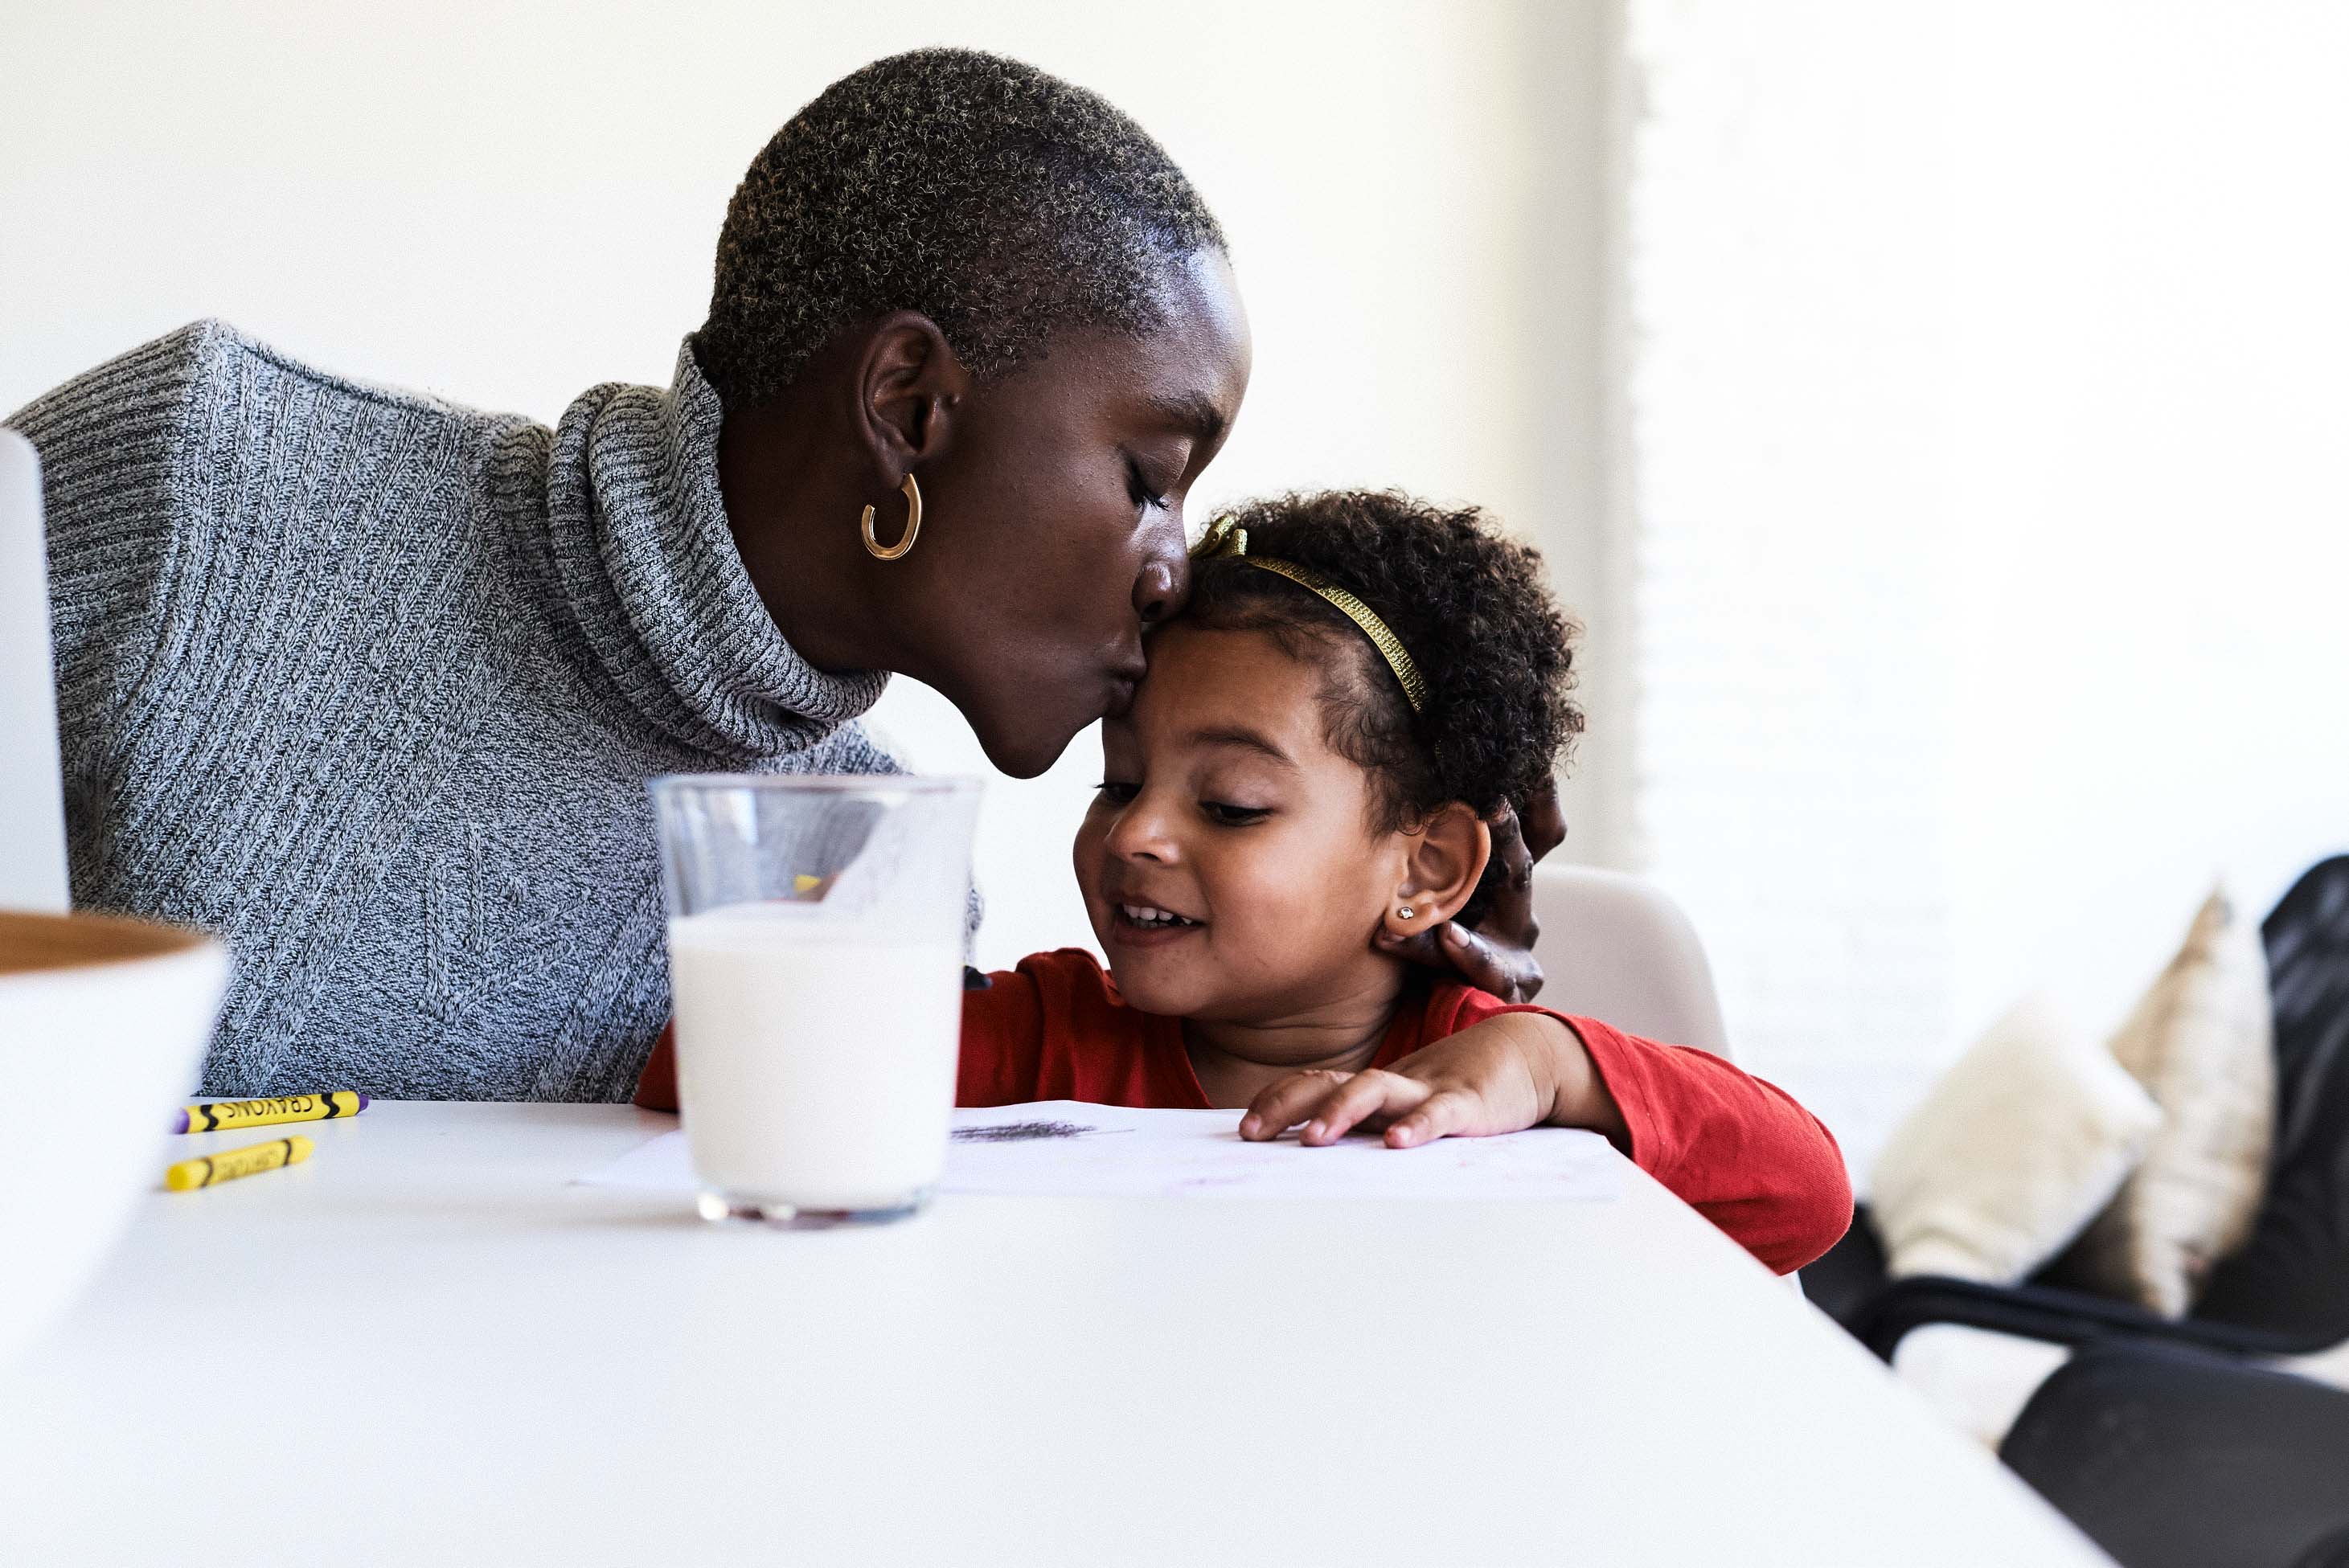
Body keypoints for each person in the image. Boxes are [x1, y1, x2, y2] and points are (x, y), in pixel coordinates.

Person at [5, 49, 1556, 1103]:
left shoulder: (860, 876)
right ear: (910, 409)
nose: (1171, 571)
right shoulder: (208, 479)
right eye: (1149, 477)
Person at [639, 490, 1853, 1273]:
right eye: (1118, 783)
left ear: (1425, 868)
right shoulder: (1041, 1043)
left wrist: (1548, 1066)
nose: (1136, 834)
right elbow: (695, 1083)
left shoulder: (1463, 1084)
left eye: (1229, 805)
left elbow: (1804, 1196)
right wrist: (826, 952)